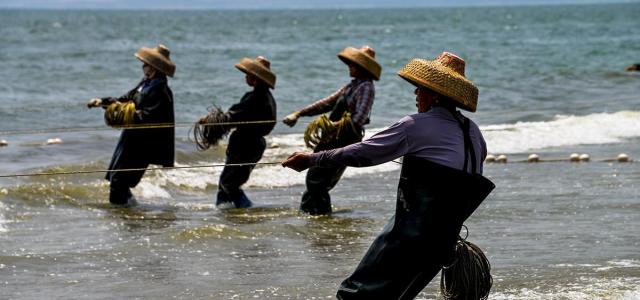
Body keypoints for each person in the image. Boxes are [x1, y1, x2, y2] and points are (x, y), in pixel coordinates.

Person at [283, 52, 495, 299]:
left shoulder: (416, 125)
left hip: (409, 237)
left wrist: (312, 159)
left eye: (420, 89)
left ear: (435, 95)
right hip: (443, 243)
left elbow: (364, 154)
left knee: (354, 295)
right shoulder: (474, 133)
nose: (415, 94)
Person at [282, 45, 381, 215]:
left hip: (344, 140)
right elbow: (327, 103)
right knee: (315, 179)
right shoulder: (351, 86)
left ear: (362, 68)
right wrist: (299, 113)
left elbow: (358, 120)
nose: (350, 67)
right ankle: (311, 216)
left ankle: (322, 221)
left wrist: (329, 125)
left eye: (353, 64)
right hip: (331, 138)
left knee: (318, 181)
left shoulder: (366, 87)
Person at [87, 44, 175, 206]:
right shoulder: (145, 83)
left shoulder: (161, 91)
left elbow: (148, 116)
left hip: (143, 144)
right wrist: (102, 102)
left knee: (120, 181)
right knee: (117, 179)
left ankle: (125, 218)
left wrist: (126, 113)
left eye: (146, 64)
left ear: (154, 68)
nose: (143, 66)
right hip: (130, 139)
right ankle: (130, 213)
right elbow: (126, 99)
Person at [204, 56, 277, 209]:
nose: (245, 76)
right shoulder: (266, 97)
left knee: (229, 183)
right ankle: (223, 211)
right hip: (252, 143)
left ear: (255, 78)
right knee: (226, 182)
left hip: (246, 144)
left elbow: (233, 116)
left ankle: (246, 209)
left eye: (248, 74)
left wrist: (210, 120)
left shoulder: (256, 98)